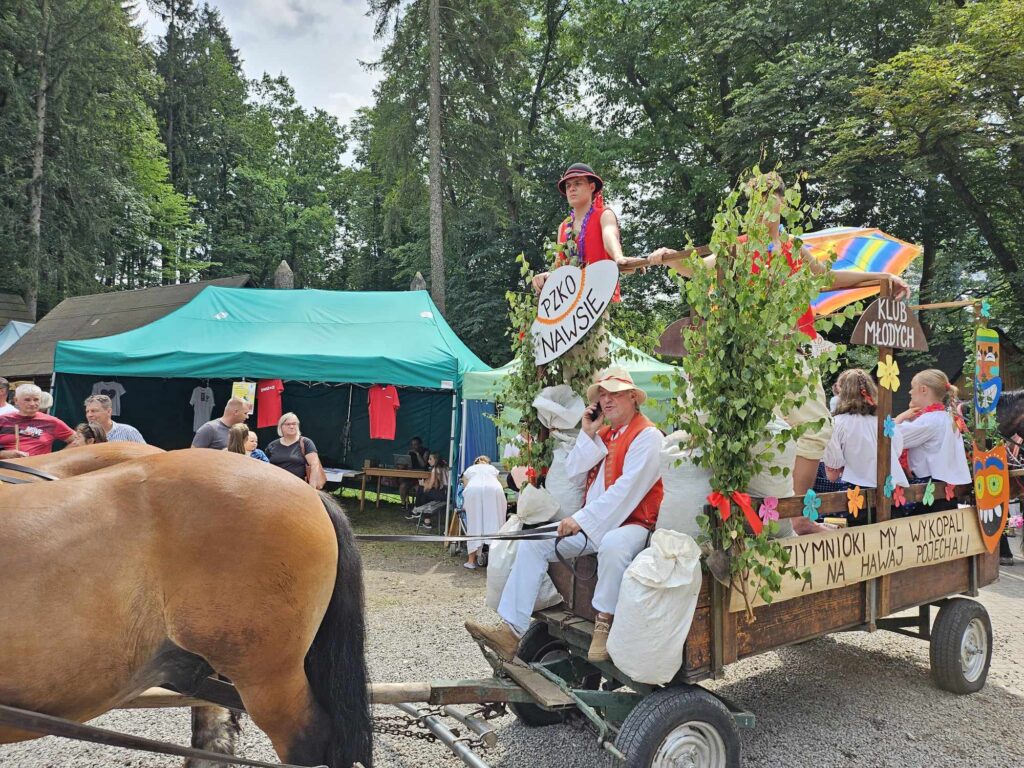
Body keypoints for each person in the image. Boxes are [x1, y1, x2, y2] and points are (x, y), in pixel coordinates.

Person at [648, 173, 910, 533]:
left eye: (772, 194)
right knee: (757, 434)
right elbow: (697, 270)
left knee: (816, 431)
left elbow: (826, 277)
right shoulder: (738, 247)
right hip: (754, 359)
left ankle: (796, 515)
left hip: (795, 354)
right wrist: (667, 258)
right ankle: (750, 518)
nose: (764, 201)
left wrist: (880, 277)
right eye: (757, 195)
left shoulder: (792, 247)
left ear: (783, 201)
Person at [466, 367, 663, 663]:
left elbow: (626, 492)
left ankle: (603, 624)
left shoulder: (648, 436)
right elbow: (574, 469)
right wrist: (588, 432)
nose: (607, 400)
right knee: (533, 542)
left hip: (633, 523)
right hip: (596, 523)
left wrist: (581, 519)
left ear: (633, 397)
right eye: (602, 395)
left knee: (613, 546)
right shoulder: (605, 433)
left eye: (615, 393)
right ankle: (511, 631)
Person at [530, 164, 634, 297]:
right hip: (572, 303)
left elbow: (610, 235)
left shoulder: (604, 214)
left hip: (602, 299)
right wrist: (547, 277)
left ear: (592, 187)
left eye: (577, 183)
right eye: (568, 186)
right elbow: (560, 267)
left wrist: (618, 257)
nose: (571, 189)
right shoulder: (563, 227)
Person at [892, 369, 972, 513]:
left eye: (912, 387)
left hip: (929, 493)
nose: (910, 392)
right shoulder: (947, 417)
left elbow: (891, 437)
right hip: (944, 489)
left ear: (923, 389)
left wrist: (900, 418)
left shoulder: (930, 420)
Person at [0, 383, 80, 456]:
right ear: (16, 400)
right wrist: (4, 454)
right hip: (6, 466)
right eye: (27, 400)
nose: (32, 404)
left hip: (39, 467)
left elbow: (79, 440)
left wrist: (56, 457)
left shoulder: (51, 422)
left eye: (36, 399)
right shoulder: (3, 420)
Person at [461, 456, 507, 570]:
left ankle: (471, 561)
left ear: (476, 462)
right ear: (488, 463)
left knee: (474, 524)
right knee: (494, 523)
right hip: (494, 490)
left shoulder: (470, 469)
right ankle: (495, 561)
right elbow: (502, 484)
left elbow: (465, 486)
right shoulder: (492, 469)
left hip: (474, 489)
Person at [265, 412, 324, 487]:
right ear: (281, 426)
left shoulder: (306, 443)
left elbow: (314, 465)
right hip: (276, 486)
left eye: (294, 424)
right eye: (288, 424)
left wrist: (312, 487)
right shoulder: (272, 445)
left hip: (299, 487)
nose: (291, 426)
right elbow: (265, 465)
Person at [415, 453, 450, 528]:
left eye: (430, 459)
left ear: (436, 460)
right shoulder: (445, 466)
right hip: (448, 494)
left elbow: (430, 486)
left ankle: (416, 510)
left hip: (443, 494)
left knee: (421, 490)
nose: (428, 461)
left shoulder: (435, 469)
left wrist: (422, 484)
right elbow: (436, 485)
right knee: (424, 496)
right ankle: (426, 522)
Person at [399, 436, 430, 507]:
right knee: (402, 486)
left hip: (421, 478)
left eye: (415, 444)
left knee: (418, 488)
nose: (414, 446)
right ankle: (404, 504)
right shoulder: (410, 452)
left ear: (420, 444)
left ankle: (418, 505)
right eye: (412, 445)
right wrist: (406, 456)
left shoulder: (426, 451)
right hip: (411, 477)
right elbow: (405, 464)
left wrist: (417, 454)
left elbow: (423, 465)